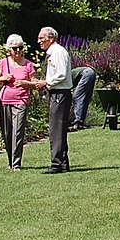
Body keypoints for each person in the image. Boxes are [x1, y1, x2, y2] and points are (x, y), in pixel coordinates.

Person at [30, 26, 72, 173]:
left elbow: (61, 75)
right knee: (57, 129)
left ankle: (57, 164)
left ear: (51, 38)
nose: (39, 41)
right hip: (57, 93)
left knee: (56, 129)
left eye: (42, 38)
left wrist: (45, 83)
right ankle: (62, 163)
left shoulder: (58, 52)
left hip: (60, 94)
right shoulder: (53, 52)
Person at [0, 34, 34, 170]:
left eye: (20, 48)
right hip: (5, 101)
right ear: (9, 49)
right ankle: (11, 161)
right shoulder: (4, 63)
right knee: (7, 132)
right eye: (15, 48)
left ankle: (16, 164)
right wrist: (4, 77)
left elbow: (36, 83)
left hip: (21, 101)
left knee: (18, 132)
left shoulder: (28, 65)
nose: (18, 51)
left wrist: (25, 83)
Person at [69, 64, 95, 130]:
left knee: (77, 97)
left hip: (86, 73)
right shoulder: (68, 75)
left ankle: (77, 122)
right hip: (91, 73)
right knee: (85, 99)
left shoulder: (65, 79)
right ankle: (81, 122)